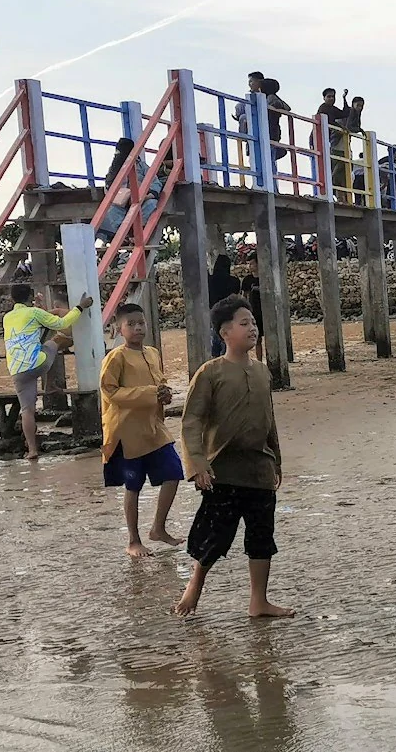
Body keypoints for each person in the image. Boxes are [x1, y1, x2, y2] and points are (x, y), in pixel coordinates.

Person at [176, 296, 293, 618]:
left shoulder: (262, 371)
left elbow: (268, 419)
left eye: (253, 323)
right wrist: (197, 463)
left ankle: (259, 601)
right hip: (221, 472)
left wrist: (277, 461)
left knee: (261, 537)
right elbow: (191, 421)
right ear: (225, 332)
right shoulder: (210, 373)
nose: (252, 328)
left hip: (258, 469)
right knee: (214, 535)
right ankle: (195, 584)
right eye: (244, 324)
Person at [100, 303, 184, 559]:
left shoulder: (152, 352)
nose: (138, 328)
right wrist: (150, 393)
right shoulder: (116, 357)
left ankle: (158, 527)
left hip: (153, 427)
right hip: (127, 431)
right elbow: (109, 391)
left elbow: (160, 382)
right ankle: (133, 540)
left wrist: (164, 394)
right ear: (119, 328)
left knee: (174, 472)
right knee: (133, 485)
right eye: (131, 324)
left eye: (141, 323)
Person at [4, 283, 92, 460]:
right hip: (38, 362)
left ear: (12, 299)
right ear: (30, 297)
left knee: (27, 411)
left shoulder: (7, 317)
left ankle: (32, 450)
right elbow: (62, 322)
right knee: (58, 340)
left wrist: (40, 309)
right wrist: (80, 307)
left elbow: (32, 328)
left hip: (17, 370)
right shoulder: (34, 312)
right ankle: (51, 384)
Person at [97, 137, 164, 244]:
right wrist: (123, 197)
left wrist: (147, 196)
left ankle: (140, 232)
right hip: (121, 202)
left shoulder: (142, 166)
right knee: (109, 211)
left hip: (143, 199)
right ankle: (121, 237)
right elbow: (108, 187)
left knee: (151, 205)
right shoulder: (115, 168)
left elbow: (155, 183)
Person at [207, 253, 241, 357]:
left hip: (213, 311)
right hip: (228, 313)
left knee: (214, 338)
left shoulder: (209, 280)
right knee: (227, 339)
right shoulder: (235, 281)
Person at [240, 251, 265, 362]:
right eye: (249, 264)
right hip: (253, 312)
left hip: (266, 312)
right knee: (257, 339)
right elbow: (244, 296)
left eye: (252, 264)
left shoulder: (266, 278)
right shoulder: (247, 280)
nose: (249, 266)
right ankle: (259, 361)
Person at [233, 71, 265, 138]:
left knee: (243, 117)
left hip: (262, 121)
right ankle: (243, 137)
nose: (249, 84)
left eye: (251, 81)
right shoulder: (250, 95)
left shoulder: (265, 94)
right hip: (252, 122)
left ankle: (242, 137)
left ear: (259, 82)